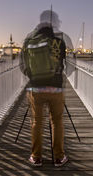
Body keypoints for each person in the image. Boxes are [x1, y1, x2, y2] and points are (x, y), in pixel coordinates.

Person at [20, 10, 73, 167]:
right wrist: (60, 77)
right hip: (56, 88)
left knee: (37, 121)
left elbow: (22, 65)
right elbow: (68, 65)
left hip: (35, 88)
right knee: (56, 121)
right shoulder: (60, 41)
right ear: (54, 24)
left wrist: (33, 76)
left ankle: (36, 157)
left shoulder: (29, 40)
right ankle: (59, 157)